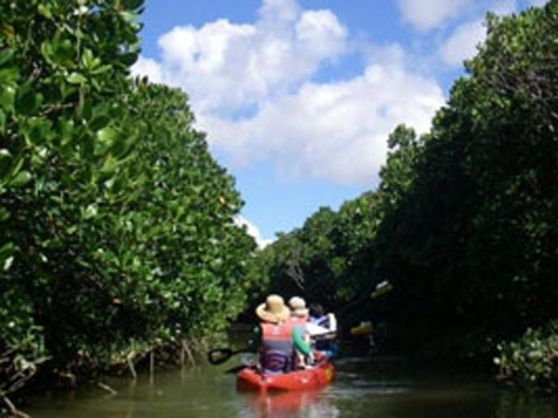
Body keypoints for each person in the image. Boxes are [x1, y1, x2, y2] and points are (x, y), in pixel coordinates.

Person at [252, 295, 312, 374]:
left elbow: (252, 349)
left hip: (265, 371)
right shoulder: (292, 329)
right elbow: (305, 350)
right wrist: (307, 342)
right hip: (287, 372)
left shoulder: (259, 329)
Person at [288, 296, 312, 367]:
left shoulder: (287, 319)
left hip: (294, 342)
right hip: (302, 341)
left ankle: (301, 360)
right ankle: (302, 360)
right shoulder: (305, 317)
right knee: (306, 336)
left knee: (303, 336)